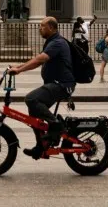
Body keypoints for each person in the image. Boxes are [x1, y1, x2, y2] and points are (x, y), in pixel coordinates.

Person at [8, 16, 75, 159]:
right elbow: (38, 60)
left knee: (31, 98)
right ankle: (41, 146)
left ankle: (56, 125)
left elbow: (40, 59)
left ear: (51, 28)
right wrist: (17, 67)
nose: (40, 28)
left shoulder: (57, 42)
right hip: (56, 84)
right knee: (34, 113)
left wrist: (19, 70)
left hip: (61, 84)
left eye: (42, 26)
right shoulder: (52, 42)